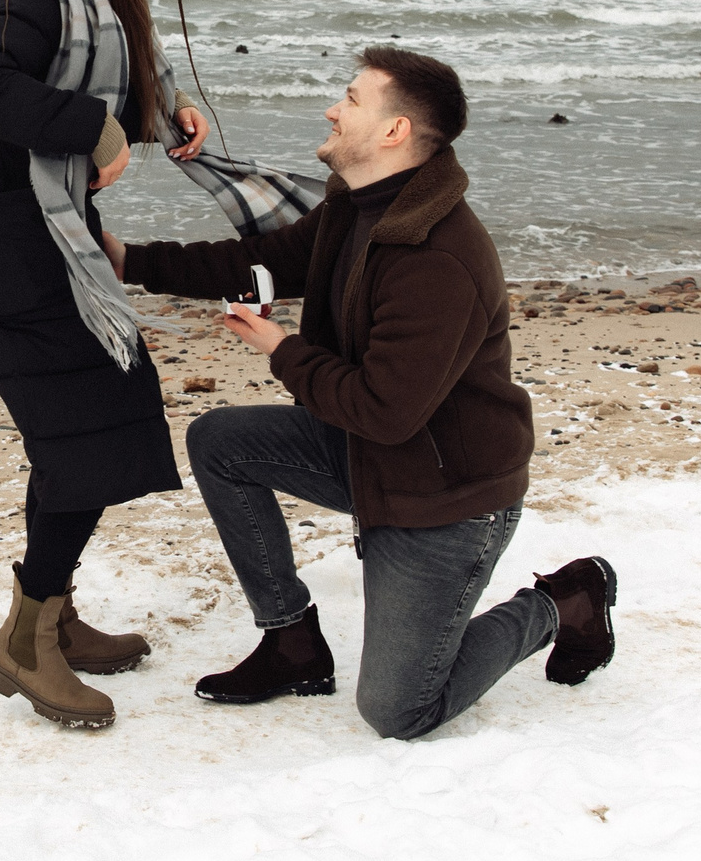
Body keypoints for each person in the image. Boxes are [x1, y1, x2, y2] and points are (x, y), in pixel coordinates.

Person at [103, 47, 618, 739]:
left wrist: (281, 348)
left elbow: (384, 409)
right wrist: (131, 262)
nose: (331, 108)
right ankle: (291, 642)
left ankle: (564, 600)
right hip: (372, 457)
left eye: (350, 98)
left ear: (393, 131)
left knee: (399, 710)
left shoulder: (437, 256)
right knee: (219, 442)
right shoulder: (358, 201)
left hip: (446, 499)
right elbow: (269, 260)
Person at [0, 0, 317, 729]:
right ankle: (25, 640)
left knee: (93, 421)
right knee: (84, 431)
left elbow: (87, 92)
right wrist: (96, 129)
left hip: (54, 239)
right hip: (9, 248)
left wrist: (156, 114)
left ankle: (54, 615)